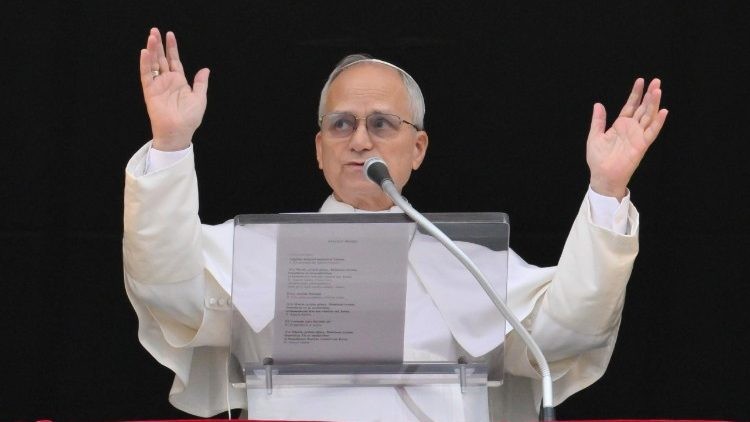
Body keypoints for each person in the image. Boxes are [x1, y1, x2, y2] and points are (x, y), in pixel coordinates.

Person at [123, 28, 668, 421]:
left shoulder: (468, 263)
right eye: (341, 124)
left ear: (418, 148)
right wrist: (171, 145)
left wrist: (606, 191)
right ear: (319, 149)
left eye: (382, 123)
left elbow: (565, 333)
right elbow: (169, 292)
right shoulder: (257, 249)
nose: (360, 140)